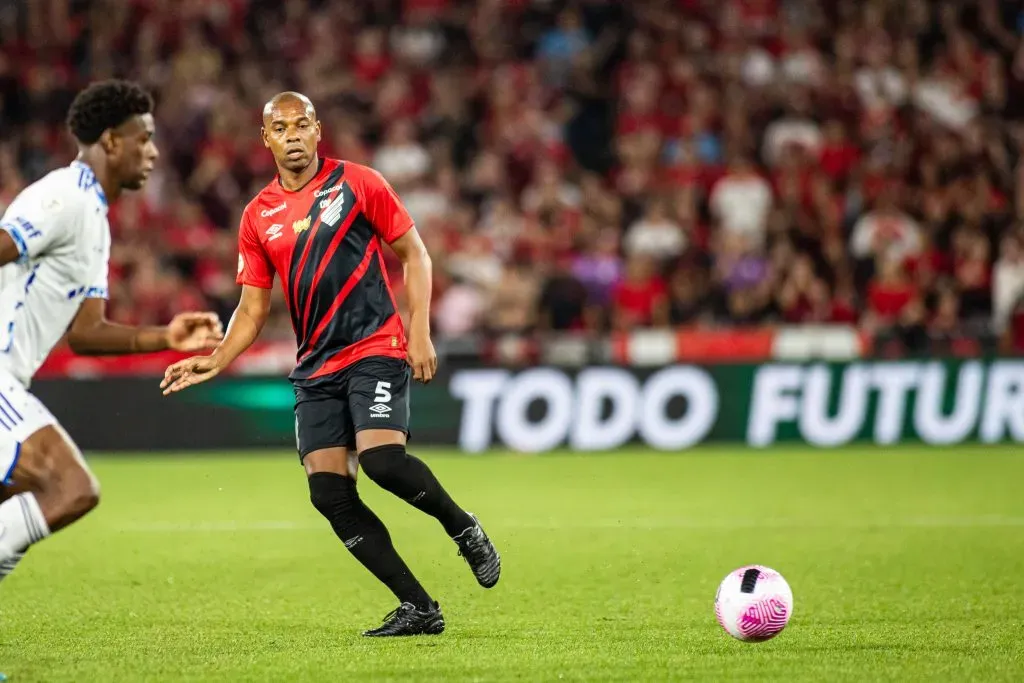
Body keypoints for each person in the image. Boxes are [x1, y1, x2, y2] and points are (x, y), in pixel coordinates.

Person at [160, 92, 501, 637]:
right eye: (280, 128)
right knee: (329, 493)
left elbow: (415, 254)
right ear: (265, 139)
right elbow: (252, 308)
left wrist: (419, 332)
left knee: (384, 462)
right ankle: (419, 606)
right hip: (316, 366)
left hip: (374, 346)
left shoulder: (360, 183)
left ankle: (464, 529)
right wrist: (215, 359)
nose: (292, 136)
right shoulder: (256, 216)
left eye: (301, 125)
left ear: (318, 131)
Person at [0, 80, 223, 584]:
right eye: (143, 138)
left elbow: (87, 332)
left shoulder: (94, 216)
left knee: (23, 497)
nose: (154, 150)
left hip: (11, 380)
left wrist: (166, 337)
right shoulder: (63, 197)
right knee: (71, 489)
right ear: (110, 142)